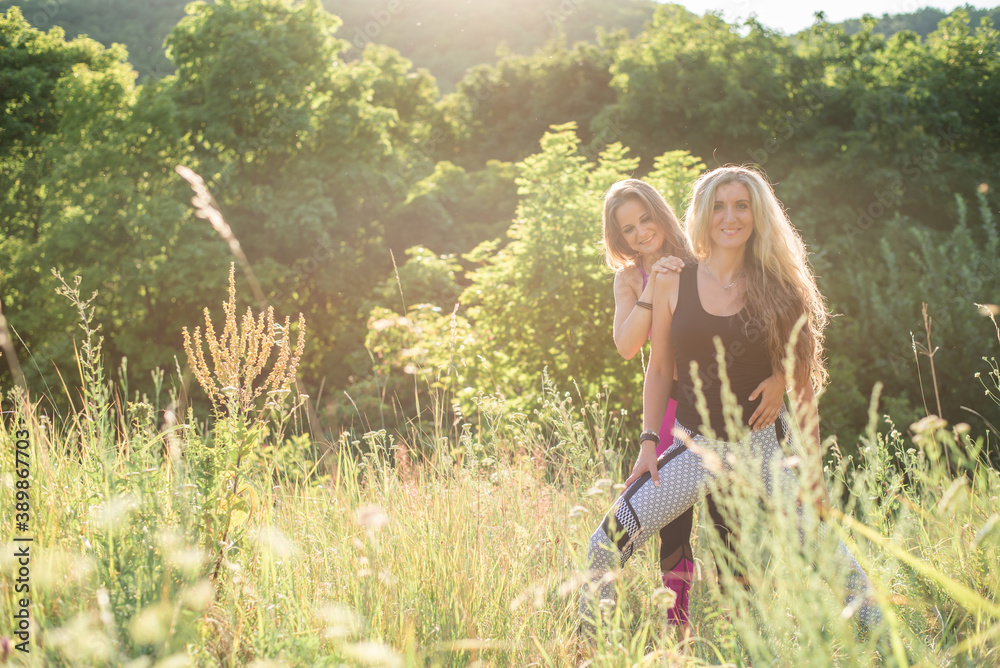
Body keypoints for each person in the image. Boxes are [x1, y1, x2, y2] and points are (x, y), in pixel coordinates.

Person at [582, 166, 881, 637]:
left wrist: (813, 474)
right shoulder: (672, 279)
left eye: (741, 205)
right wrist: (646, 444)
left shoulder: (782, 286)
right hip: (698, 451)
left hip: (767, 454)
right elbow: (658, 369)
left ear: (758, 214)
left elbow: (802, 385)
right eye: (719, 206)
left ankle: (896, 647)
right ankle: (592, 648)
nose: (730, 216)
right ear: (702, 212)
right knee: (605, 544)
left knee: (834, 563)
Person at [600, 179, 785, 630]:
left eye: (646, 218)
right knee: (673, 522)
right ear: (619, 238)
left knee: (727, 514)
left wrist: (780, 375)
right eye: (628, 229)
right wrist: (652, 285)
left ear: (662, 213)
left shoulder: (701, 258)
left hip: (720, 408)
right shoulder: (629, 279)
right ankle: (675, 624)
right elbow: (627, 347)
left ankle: (736, 620)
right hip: (668, 407)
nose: (642, 232)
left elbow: (761, 321)